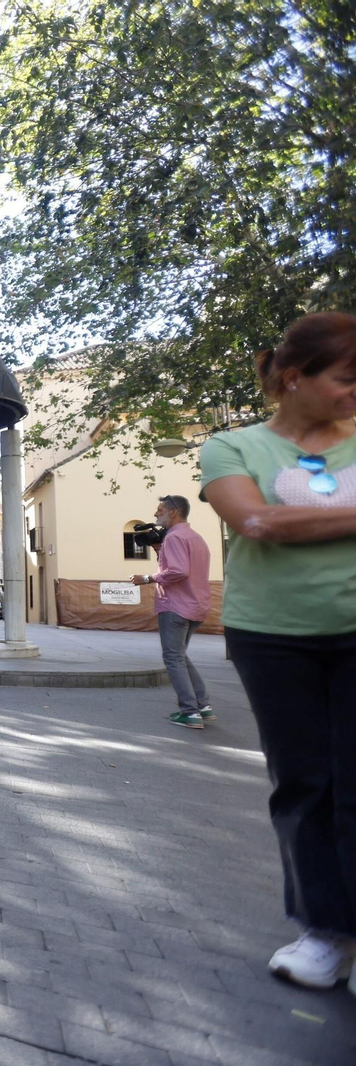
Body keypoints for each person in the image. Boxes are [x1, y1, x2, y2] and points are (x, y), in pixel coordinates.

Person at [198, 311, 356, 991]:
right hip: (272, 638)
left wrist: (303, 521)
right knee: (304, 786)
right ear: (296, 378)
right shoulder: (231, 447)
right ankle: (325, 933)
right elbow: (256, 521)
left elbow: (281, 520)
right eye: (346, 379)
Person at [129, 495, 214, 728]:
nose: (156, 514)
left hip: (176, 606)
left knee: (173, 658)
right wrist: (159, 549)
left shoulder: (175, 537)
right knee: (180, 656)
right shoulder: (195, 537)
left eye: (160, 510)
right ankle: (203, 707)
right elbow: (179, 567)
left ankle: (190, 712)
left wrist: (146, 578)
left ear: (174, 511)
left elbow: (177, 571)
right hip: (197, 604)